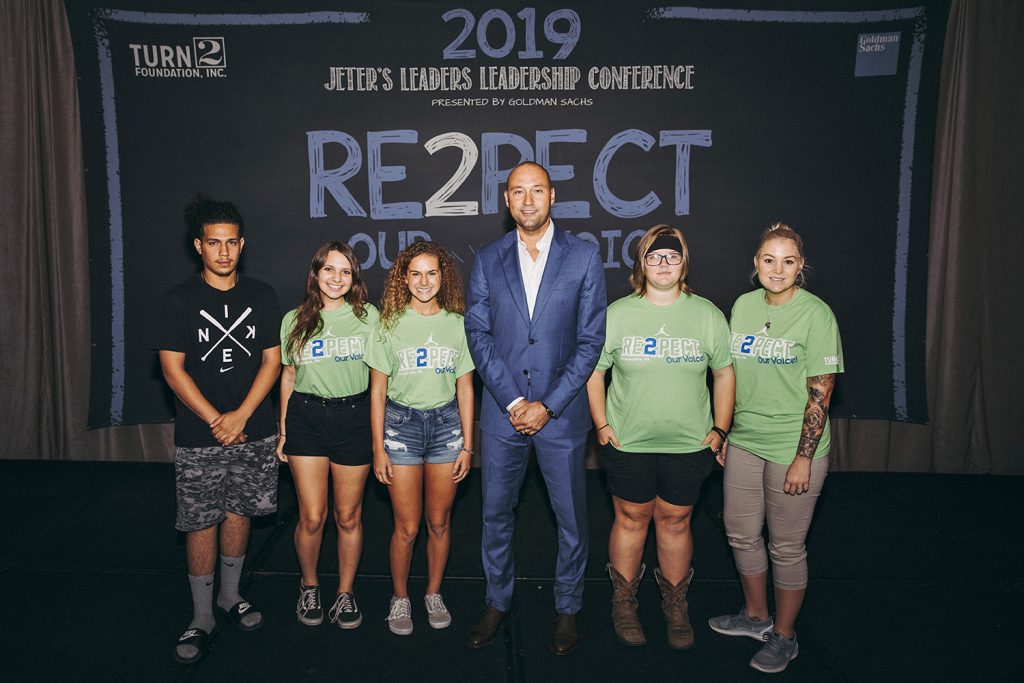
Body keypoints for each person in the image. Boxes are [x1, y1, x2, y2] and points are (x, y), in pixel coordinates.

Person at [464, 161, 606, 655]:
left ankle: (568, 608)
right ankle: (496, 601)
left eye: (537, 191)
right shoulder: (486, 259)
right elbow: (478, 335)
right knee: (495, 516)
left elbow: (590, 342)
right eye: (517, 192)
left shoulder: (584, 257)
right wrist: (515, 401)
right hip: (502, 416)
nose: (528, 200)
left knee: (571, 519)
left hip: (561, 418)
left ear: (552, 196)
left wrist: (547, 405)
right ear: (506, 200)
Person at [586, 225, 734, 649]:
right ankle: (624, 602)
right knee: (631, 518)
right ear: (641, 264)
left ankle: (674, 604)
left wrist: (719, 430)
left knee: (675, 520)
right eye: (654, 256)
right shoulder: (618, 314)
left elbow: (724, 373)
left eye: (671, 256)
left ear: (683, 262)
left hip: (689, 443)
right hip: (628, 442)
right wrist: (601, 425)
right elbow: (594, 372)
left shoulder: (706, 314)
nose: (663, 264)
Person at [709, 223, 844, 674]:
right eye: (769, 259)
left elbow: (821, 392)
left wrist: (803, 457)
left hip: (794, 447)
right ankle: (755, 617)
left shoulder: (817, 314)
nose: (778, 269)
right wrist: (724, 431)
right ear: (756, 264)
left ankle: (784, 636)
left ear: (800, 266)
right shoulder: (743, 306)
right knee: (741, 533)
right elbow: (727, 375)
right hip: (746, 440)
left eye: (788, 261)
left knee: (786, 546)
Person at [152, 194, 282, 664]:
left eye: (231, 243)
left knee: (240, 511)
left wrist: (243, 415)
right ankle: (201, 614)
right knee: (201, 520)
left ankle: (230, 595)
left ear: (241, 245)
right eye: (214, 243)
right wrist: (216, 420)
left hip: (254, 428)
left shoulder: (262, 295)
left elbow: (272, 360)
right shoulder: (178, 300)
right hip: (200, 432)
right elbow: (173, 370)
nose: (223, 252)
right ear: (198, 246)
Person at [365, 241, 475, 636]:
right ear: (403, 278)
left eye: (432, 273)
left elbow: (465, 387)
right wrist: (378, 448)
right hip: (401, 427)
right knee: (407, 527)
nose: (424, 281)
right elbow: (377, 391)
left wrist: (467, 444)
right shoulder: (389, 324)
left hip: (447, 427)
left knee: (439, 522)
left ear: (443, 277)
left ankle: (432, 592)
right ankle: (399, 597)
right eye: (415, 273)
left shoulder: (458, 323)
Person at [277, 241, 378, 630]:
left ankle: (345, 592)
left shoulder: (368, 316)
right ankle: (311, 584)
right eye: (329, 270)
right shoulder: (293, 319)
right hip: (305, 417)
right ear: (315, 273)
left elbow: (378, 378)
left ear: (354, 278)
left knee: (348, 516)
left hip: (353, 417)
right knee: (313, 516)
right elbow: (287, 377)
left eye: (345, 271)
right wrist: (283, 431)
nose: (336, 278)